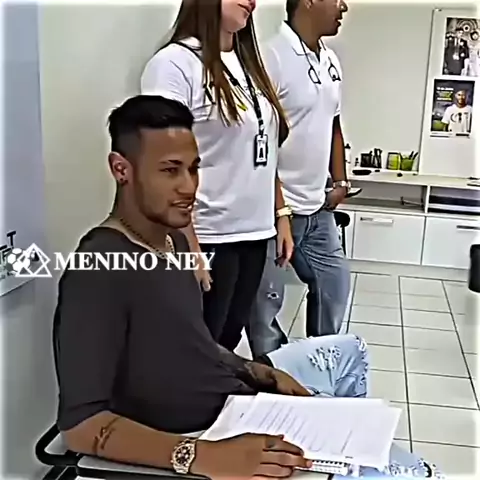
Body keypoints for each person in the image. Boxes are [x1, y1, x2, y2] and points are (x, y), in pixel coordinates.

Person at [54, 95, 442, 479]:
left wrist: (257, 371)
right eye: (170, 171)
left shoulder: (174, 242)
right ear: (121, 169)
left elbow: (192, 343)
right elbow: (82, 426)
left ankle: (343, 449)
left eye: (194, 169)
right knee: (418, 474)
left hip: (240, 401)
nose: (189, 187)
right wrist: (201, 456)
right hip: (207, 431)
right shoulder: (99, 266)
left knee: (349, 350)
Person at [140, 0, 294, 353]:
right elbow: (161, 164)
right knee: (195, 351)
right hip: (207, 236)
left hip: (254, 235)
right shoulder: (175, 64)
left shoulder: (247, 62)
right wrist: (189, 247)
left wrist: (281, 213)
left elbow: (262, 148)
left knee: (226, 344)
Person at [249, 0, 351, 356]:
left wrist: (340, 181)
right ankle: (274, 373)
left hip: (316, 208)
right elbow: (257, 139)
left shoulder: (330, 60)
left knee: (334, 285)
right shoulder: (271, 57)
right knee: (264, 306)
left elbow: (333, 124)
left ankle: (316, 365)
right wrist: (280, 211)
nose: (343, 7)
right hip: (272, 210)